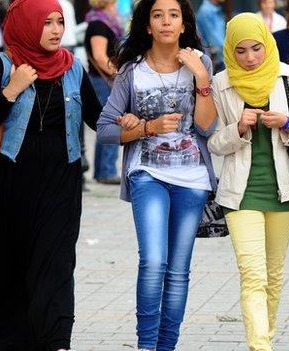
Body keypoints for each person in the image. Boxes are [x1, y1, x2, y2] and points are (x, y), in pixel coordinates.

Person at [0, 0, 102, 349]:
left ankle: (57, 342)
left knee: (56, 267)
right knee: (7, 272)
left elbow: (98, 119)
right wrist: (11, 91)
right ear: (27, 25)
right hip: (9, 189)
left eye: (59, 22)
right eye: (47, 23)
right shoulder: (2, 65)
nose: (56, 30)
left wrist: (137, 119)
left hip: (61, 186)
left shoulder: (72, 68)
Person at [96, 0, 217, 349]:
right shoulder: (132, 70)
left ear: (183, 24)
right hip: (147, 173)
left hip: (192, 178)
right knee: (153, 261)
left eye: (174, 15)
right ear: (148, 25)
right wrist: (145, 127)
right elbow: (105, 130)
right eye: (158, 15)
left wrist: (202, 77)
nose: (166, 21)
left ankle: (167, 346)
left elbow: (207, 129)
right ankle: (147, 345)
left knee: (178, 271)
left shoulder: (200, 63)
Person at [208, 12, 289, 351]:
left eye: (256, 48)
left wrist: (286, 123)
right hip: (240, 193)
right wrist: (238, 129)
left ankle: (263, 339)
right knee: (252, 274)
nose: (250, 58)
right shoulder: (221, 84)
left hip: (284, 192)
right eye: (241, 51)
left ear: (267, 44)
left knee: (272, 275)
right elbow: (213, 142)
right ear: (230, 51)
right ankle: (261, 346)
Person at [85, 0, 124, 185]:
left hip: (104, 81)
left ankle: (104, 171)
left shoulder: (106, 22)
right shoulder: (98, 24)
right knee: (111, 123)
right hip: (102, 82)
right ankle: (106, 171)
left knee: (108, 123)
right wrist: (120, 75)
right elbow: (100, 57)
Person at [196, 0, 225, 70]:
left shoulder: (214, 9)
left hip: (219, 57)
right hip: (215, 58)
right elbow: (213, 38)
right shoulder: (206, 11)